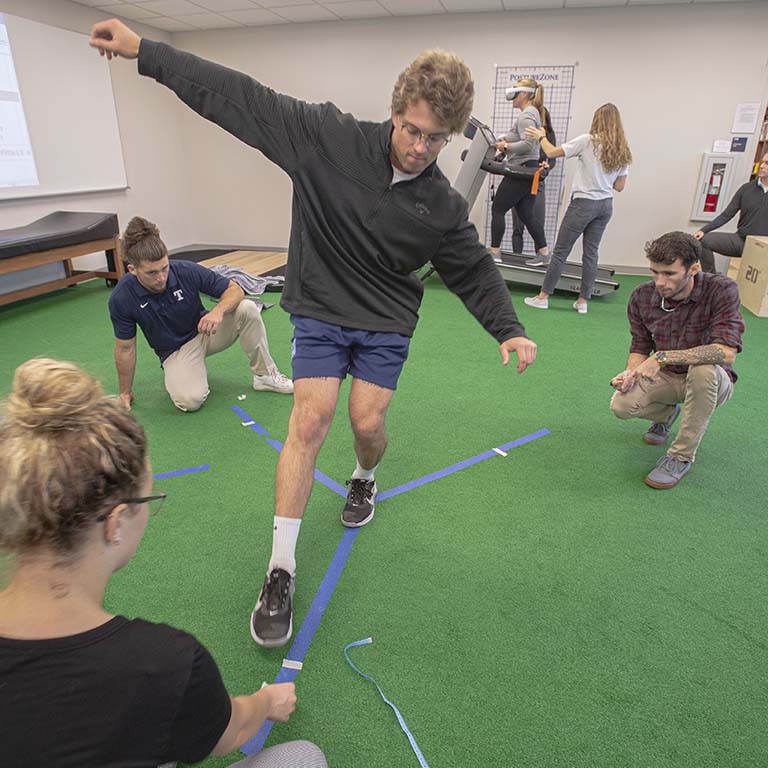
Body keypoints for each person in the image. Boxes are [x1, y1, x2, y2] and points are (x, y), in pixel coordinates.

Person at [89, 21, 538, 648]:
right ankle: (280, 569)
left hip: (385, 317)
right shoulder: (327, 137)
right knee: (309, 419)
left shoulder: (440, 203)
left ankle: (364, 475)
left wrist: (507, 328)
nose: (420, 148)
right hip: (322, 306)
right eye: (412, 130)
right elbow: (240, 97)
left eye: (436, 138)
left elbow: (472, 269)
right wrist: (146, 51)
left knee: (367, 423)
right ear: (395, 112)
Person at [0, 358, 327, 768]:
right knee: (304, 757)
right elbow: (228, 734)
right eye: (147, 500)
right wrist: (265, 701)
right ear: (115, 523)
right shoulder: (162, 664)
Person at [110, 216, 293, 413]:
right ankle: (189, 371)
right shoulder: (122, 297)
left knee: (247, 308)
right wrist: (125, 393)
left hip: (206, 331)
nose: (161, 277)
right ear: (133, 269)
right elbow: (125, 348)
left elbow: (235, 290)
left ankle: (265, 376)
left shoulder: (185, 270)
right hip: (176, 351)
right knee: (190, 401)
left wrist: (217, 311)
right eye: (152, 273)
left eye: (164, 268)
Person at [609, 232, 744, 489]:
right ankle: (668, 415)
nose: (660, 282)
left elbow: (726, 352)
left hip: (712, 381)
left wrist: (662, 357)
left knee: (702, 369)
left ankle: (680, 457)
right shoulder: (641, 296)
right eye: (654, 272)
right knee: (621, 405)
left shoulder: (722, 289)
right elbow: (640, 345)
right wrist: (630, 373)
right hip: (667, 376)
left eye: (669, 274)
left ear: (693, 269)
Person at [523, 103, 631, 313]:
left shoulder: (587, 141)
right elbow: (619, 186)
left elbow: (551, 152)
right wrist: (603, 178)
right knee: (591, 253)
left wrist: (541, 136)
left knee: (561, 251)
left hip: (583, 203)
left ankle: (543, 297)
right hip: (605, 205)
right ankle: (582, 302)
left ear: (597, 120)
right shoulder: (622, 150)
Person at [489, 79, 550, 262]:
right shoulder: (531, 113)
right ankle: (544, 253)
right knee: (526, 214)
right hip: (530, 169)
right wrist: (503, 138)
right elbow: (518, 134)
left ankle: (494, 253)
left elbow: (528, 144)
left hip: (521, 169)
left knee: (498, 208)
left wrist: (506, 147)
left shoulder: (526, 115)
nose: (512, 95)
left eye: (516, 91)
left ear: (524, 94)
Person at [694, 153, 768, 273]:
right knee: (704, 241)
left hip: (765, 246)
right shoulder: (746, 188)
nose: (762, 166)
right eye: (762, 162)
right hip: (741, 241)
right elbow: (726, 214)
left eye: (767, 163)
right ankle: (712, 279)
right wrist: (704, 230)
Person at [511, 106, 556, 254]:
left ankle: (540, 258)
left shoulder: (548, 135)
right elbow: (514, 150)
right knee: (518, 227)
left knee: (537, 225)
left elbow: (552, 159)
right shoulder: (523, 131)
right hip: (519, 180)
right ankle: (516, 260)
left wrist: (545, 168)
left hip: (537, 182)